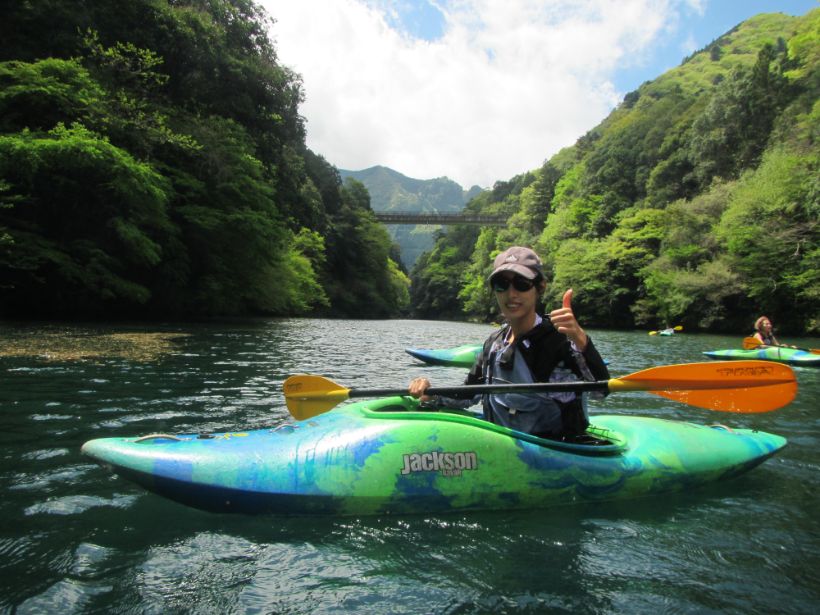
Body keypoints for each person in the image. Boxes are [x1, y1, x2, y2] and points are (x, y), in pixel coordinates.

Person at [408, 246, 609, 440]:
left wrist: (580, 338)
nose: (511, 294)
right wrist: (432, 393)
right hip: (503, 448)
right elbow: (468, 394)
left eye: (522, 284)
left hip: (555, 450)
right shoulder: (494, 343)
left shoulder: (559, 340)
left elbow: (601, 390)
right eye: (502, 284)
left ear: (540, 287)